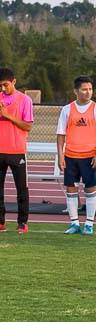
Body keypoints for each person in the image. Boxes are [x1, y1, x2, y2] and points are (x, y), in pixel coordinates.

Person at [56, 76, 96, 235]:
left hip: (90, 157)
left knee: (90, 189)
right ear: (76, 91)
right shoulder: (67, 109)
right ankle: (74, 223)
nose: (88, 92)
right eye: (84, 89)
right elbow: (60, 135)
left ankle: (89, 224)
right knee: (71, 189)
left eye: (90, 89)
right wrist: (60, 156)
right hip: (71, 156)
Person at [0, 66, 33, 234]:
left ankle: (22, 222)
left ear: (14, 81)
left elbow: (28, 126)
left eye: (6, 84)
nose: (3, 88)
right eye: (0, 86)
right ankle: (1, 222)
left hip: (17, 151)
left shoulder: (24, 100)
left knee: (21, 189)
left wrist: (8, 115)